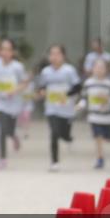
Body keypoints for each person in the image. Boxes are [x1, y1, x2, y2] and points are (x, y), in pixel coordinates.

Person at [36, 44, 81, 172]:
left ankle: (69, 139)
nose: (54, 57)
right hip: (51, 108)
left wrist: (66, 95)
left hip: (67, 109)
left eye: (57, 54)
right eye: (52, 54)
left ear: (63, 56)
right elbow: (41, 86)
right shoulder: (46, 72)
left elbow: (77, 86)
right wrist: (42, 91)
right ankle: (54, 162)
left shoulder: (69, 70)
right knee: (54, 133)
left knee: (64, 134)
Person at [0, 38, 30, 169]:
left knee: (9, 130)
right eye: (3, 49)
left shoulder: (17, 67)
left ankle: (14, 137)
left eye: (8, 50)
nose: (5, 52)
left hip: (13, 104)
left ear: (12, 52)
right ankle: (2, 158)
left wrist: (14, 90)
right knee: (2, 129)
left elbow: (24, 83)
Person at [79, 58, 110, 169]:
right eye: (96, 67)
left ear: (106, 70)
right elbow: (84, 98)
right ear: (92, 69)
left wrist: (107, 100)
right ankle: (100, 158)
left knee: (108, 138)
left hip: (107, 117)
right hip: (94, 116)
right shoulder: (88, 83)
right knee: (98, 137)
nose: (99, 70)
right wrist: (80, 105)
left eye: (102, 67)